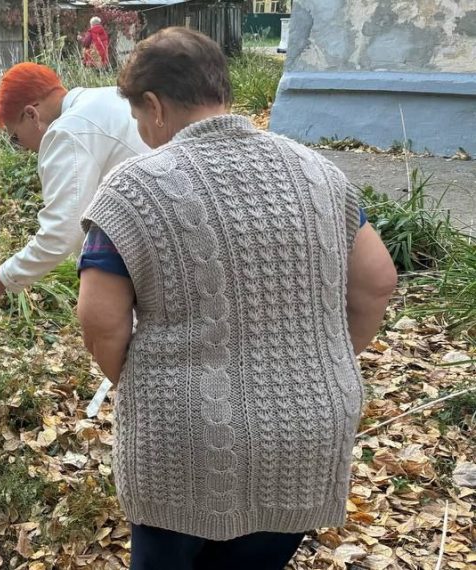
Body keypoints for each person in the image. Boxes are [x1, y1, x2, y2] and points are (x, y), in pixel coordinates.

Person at [75, 27, 397, 569]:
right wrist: (327, 360)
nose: (143, 134)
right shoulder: (319, 172)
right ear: (219, 90)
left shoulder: (133, 188)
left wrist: (143, 383)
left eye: (137, 119)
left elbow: (100, 319)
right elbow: (378, 279)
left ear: (153, 106)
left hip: (184, 438)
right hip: (310, 428)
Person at [0, 63, 148, 314]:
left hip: (146, 259)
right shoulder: (105, 98)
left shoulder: (67, 132)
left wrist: (3, 278)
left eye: (15, 138)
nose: (21, 149)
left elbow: (62, 233)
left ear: (31, 114)